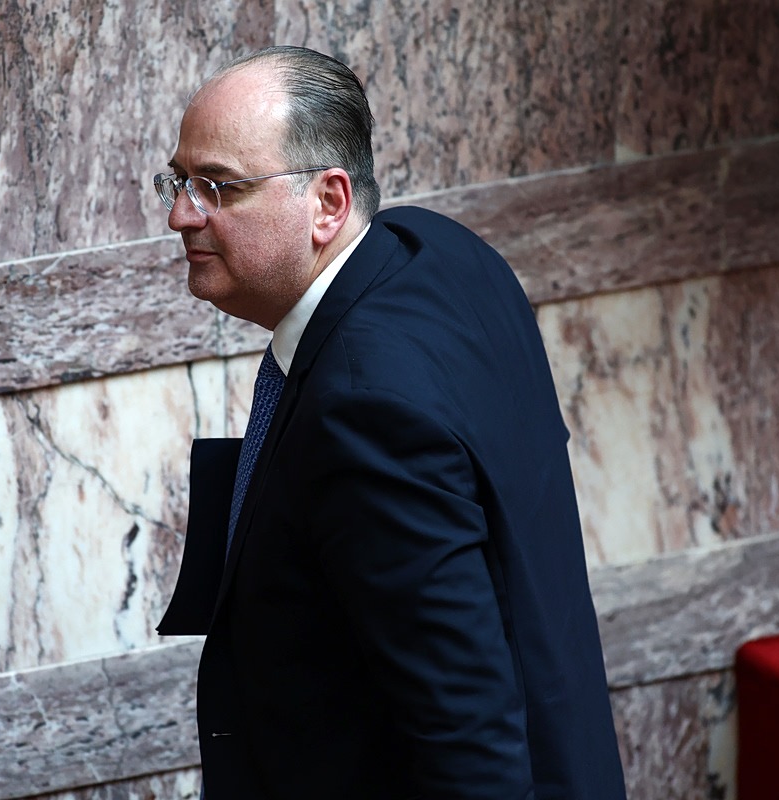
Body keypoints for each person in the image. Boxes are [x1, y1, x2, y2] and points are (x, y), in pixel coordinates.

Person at [155, 45, 626, 800]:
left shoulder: (364, 412)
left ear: (329, 202)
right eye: (178, 182)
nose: (183, 214)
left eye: (219, 187)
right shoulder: (439, 253)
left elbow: (465, 729)